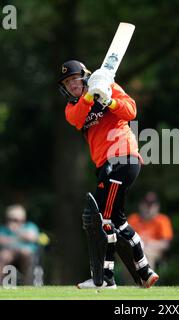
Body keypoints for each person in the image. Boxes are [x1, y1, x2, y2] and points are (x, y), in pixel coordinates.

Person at [58, 60, 159, 289]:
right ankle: (143, 270)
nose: (72, 84)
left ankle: (106, 278)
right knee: (114, 221)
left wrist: (109, 100)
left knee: (103, 219)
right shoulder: (72, 107)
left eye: (74, 79)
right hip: (106, 164)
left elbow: (131, 111)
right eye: (67, 82)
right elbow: (77, 118)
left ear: (84, 76)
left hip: (122, 157)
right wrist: (91, 95)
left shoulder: (108, 86)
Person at [0, 204, 40, 285]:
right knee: (4, 255)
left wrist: (16, 232)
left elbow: (33, 237)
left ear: (23, 218)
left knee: (25, 252)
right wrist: (20, 237)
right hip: (9, 254)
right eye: (10, 219)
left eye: (15, 219)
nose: (13, 222)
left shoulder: (30, 226)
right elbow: (0, 241)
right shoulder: (2, 228)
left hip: (27, 255)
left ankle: (28, 284)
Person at [128, 192, 173, 270]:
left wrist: (146, 244)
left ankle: (147, 280)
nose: (148, 208)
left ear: (157, 207)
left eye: (151, 205)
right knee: (130, 255)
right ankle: (130, 281)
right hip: (133, 251)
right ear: (141, 205)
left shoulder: (162, 220)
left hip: (153, 251)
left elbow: (165, 244)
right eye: (146, 205)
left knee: (145, 254)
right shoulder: (133, 219)